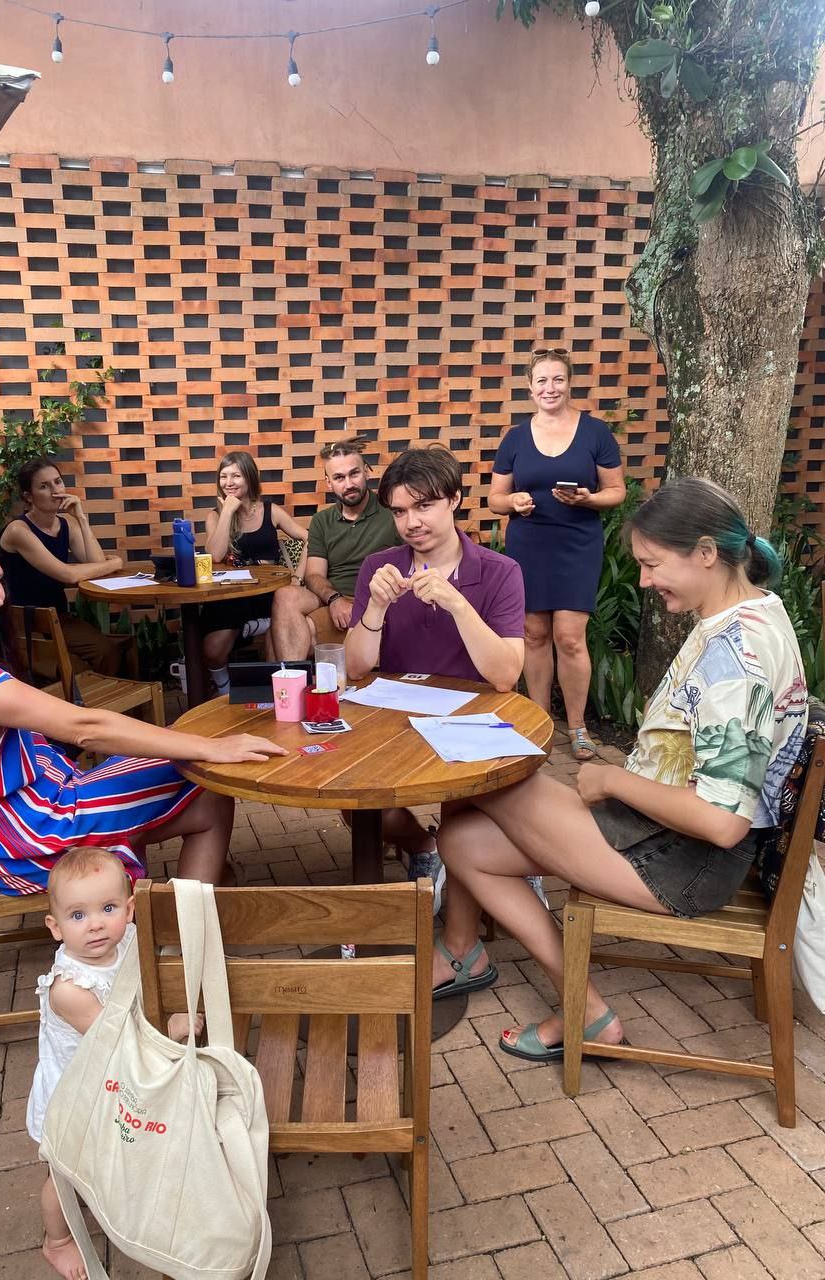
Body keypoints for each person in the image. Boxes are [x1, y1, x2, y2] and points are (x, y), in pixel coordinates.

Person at [433, 476, 808, 1060]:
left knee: (490, 780)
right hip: (657, 833)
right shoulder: (756, 612)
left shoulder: (736, 658)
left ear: (706, 553)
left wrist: (611, 779)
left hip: (684, 861)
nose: (644, 581)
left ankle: (578, 1009)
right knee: (461, 837)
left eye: (652, 564)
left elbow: (722, 822)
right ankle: (556, 993)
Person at [0, 523, 286, 894]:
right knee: (205, 770)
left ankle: (191, 912)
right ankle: (186, 927)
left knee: (198, 780)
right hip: (33, 837)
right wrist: (210, 747)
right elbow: (85, 727)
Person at [345, 446, 527, 920]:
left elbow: (506, 675)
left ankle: (479, 869)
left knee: (462, 803)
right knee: (353, 798)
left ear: (455, 500)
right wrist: (376, 607)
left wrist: (459, 606)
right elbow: (356, 667)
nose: (412, 522)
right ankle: (425, 848)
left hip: (471, 723)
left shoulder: (499, 571)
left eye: (423, 506)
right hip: (394, 720)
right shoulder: (380, 568)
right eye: (400, 511)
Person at [27, 846, 199, 1280]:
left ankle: (131, 1197)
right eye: (78, 915)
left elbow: (147, 981)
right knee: (64, 1175)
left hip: (114, 1081)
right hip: (77, 1095)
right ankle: (57, 1240)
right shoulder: (70, 990)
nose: (96, 924)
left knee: (119, 1147)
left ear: (129, 908)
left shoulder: (127, 941)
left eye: (107, 908)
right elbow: (118, 1039)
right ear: (55, 927)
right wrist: (173, 1026)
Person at [489, 348, 626, 761]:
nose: (550, 388)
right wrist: (513, 502)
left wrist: (589, 499)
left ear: (569, 384)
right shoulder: (515, 438)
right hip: (529, 542)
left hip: (577, 542)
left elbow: (616, 491)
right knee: (534, 634)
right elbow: (495, 498)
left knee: (569, 637)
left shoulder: (596, 433)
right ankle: (540, 720)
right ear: (530, 388)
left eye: (558, 379)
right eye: (542, 381)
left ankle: (578, 726)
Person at [0, 457, 136, 680]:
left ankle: (95, 699)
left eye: (58, 482)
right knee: (76, 670)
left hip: (58, 618)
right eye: (44, 486)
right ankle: (83, 701)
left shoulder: (67, 525)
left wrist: (81, 518)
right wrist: (114, 562)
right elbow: (68, 574)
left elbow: (97, 563)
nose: (56, 491)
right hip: (25, 624)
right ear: (28, 497)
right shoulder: (19, 530)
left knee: (107, 651)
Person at [270, 437, 401, 661]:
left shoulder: (393, 512)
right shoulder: (322, 521)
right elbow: (314, 575)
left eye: (354, 473)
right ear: (329, 483)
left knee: (279, 637)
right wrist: (334, 599)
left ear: (367, 472)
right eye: (339, 477)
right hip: (333, 597)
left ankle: (291, 681)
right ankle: (293, 682)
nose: (348, 484)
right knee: (285, 595)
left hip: (374, 601)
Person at [201, 451, 308, 698]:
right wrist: (227, 512)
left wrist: (297, 578)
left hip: (268, 594)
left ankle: (274, 692)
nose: (229, 482)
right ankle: (225, 690)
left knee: (274, 639)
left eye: (236, 476)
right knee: (213, 650)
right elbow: (215, 555)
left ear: (249, 478)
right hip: (230, 597)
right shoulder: (215, 516)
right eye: (223, 476)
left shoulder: (271, 511)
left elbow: (310, 539)